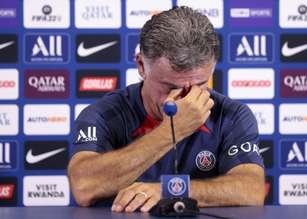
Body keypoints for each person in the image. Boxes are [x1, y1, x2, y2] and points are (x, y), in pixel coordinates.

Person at [68, 6, 265, 212]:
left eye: (199, 85)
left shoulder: (231, 115)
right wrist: (172, 130)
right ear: (142, 66)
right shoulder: (103, 114)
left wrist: (170, 190)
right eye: (172, 87)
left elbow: (252, 189)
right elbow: (84, 186)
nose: (187, 99)